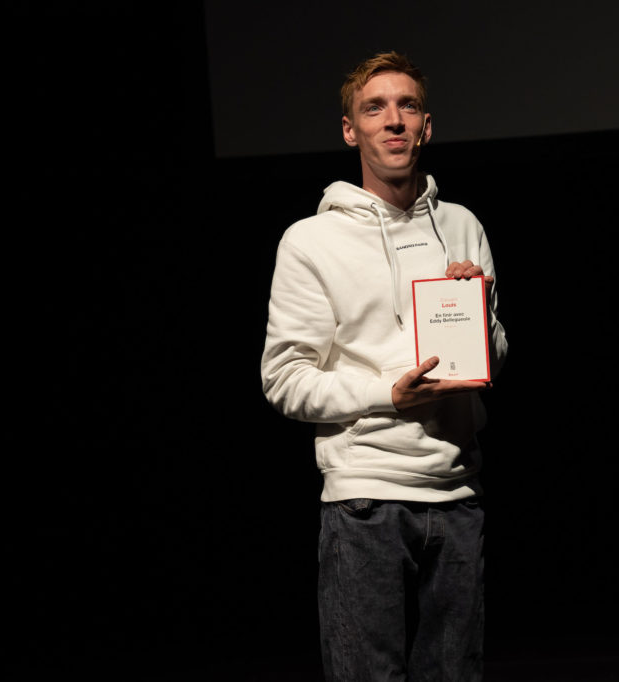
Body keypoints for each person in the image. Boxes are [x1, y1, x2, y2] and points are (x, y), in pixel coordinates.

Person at [260, 51, 508, 681]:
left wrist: (477, 321)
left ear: (427, 126)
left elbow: (498, 353)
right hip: (364, 501)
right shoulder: (310, 241)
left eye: (409, 106)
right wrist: (386, 395)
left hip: (457, 496)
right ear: (351, 130)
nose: (393, 121)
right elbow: (284, 378)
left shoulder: (462, 226)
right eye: (375, 108)